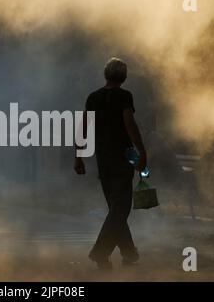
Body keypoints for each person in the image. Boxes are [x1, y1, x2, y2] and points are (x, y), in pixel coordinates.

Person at [74, 57, 147, 269]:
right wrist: (142, 151)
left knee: (116, 209)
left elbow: (83, 129)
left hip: (103, 160)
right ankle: (100, 252)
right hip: (122, 158)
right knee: (120, 208)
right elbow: (129, 123)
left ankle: (129, 253)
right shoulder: (125, 96)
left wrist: (78, 157)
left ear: (106, 74)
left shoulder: (93, 97)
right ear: (123, 77)